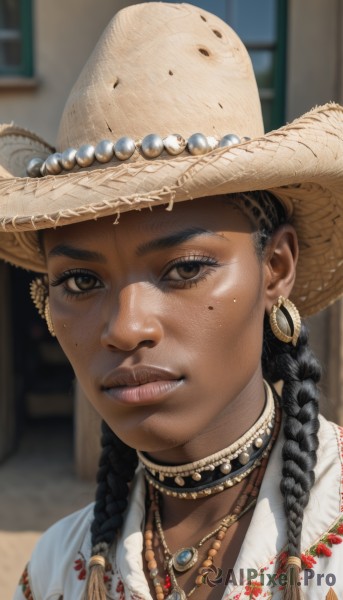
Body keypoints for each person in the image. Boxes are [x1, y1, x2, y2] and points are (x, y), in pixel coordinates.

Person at [0, 3, 342, 599]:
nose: (126, 328)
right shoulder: (59, 567)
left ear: (276, 269)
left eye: (184, 268)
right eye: (80, 282)